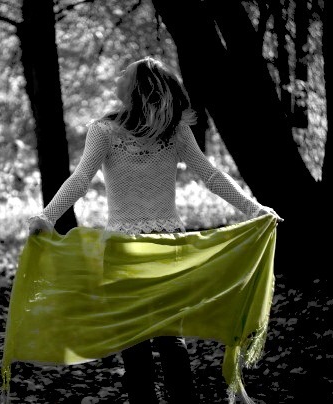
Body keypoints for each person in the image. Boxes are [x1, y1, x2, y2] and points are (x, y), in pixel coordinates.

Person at [27, 56, 283, 404]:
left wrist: (47, 216)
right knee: (169, 335)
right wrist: (253, 208)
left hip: (123, 247)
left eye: (126, 73)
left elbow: (82, 179)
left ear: (136, 88)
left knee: (134, 338)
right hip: (166, 243)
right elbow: (210, 175)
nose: (119, 75)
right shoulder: (170, 131)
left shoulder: (107, 130)